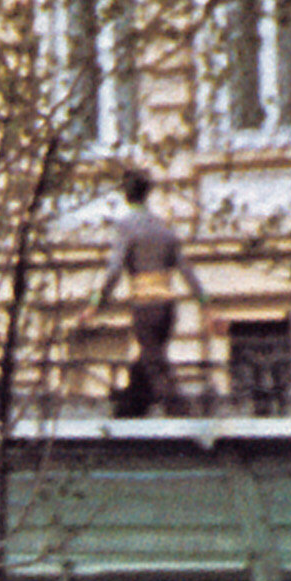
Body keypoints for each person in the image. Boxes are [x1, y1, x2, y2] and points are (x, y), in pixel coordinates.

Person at [93, 166, 206, 415]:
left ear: (126, 194)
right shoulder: (164, 227)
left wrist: (96, 302)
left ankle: (180, 412)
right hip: (168, 307)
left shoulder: (126, 226)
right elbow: (186, 270)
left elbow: (114, 270)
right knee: (148, 358)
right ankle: (130, 408)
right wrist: (204, 300)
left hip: (145, 305)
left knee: (154, 362)